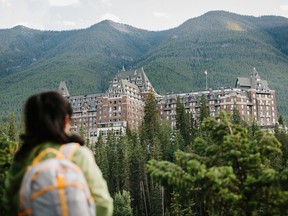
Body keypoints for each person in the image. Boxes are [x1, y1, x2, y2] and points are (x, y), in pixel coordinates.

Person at [3, 91, 113, 216]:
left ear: (29, 124)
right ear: (65, 121)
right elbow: (103, 204)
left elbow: (9, 205)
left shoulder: (22, 159)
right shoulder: (78, 154)